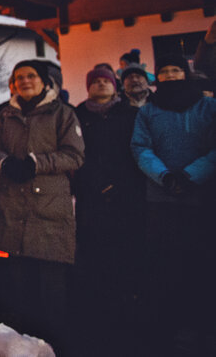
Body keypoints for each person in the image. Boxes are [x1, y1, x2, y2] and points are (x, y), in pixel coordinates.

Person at [0, 60, 85, 353]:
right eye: (19, 78)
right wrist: (5, 161)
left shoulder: (63, 113)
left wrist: (36, 163)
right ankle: (21, 347)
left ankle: (54, 345)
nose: (25, 81)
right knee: (17, 285)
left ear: (44, 81)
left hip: (49, 210)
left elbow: (75, 155)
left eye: (31, 76)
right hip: (11, 208)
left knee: (51, 288)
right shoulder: (5, 115)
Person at [131, 54, 216, 355]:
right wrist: (164, 176)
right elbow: (140, 147)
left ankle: (201, 330)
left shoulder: (208, 107)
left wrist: (192, 175)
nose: (170, 76)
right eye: (164, 71)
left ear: (187, 73)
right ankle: (167, 332)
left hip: (202, 199)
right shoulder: (148, 112)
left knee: (201, 268)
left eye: (176, 70)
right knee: (164, 268)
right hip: (161, 199)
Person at [71, 67, 145, 355]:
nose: (101, 84)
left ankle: (130, 312)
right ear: (88, 87)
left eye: (106, 81)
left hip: (126, 195)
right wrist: (90, 185)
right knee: (94, 255)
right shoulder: (77, 115)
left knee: (127, 255)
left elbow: (136, 151)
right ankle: (99, 318)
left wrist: (120, 183)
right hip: (91, 196)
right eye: (96, 81)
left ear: (115, 87)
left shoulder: (131, 114)